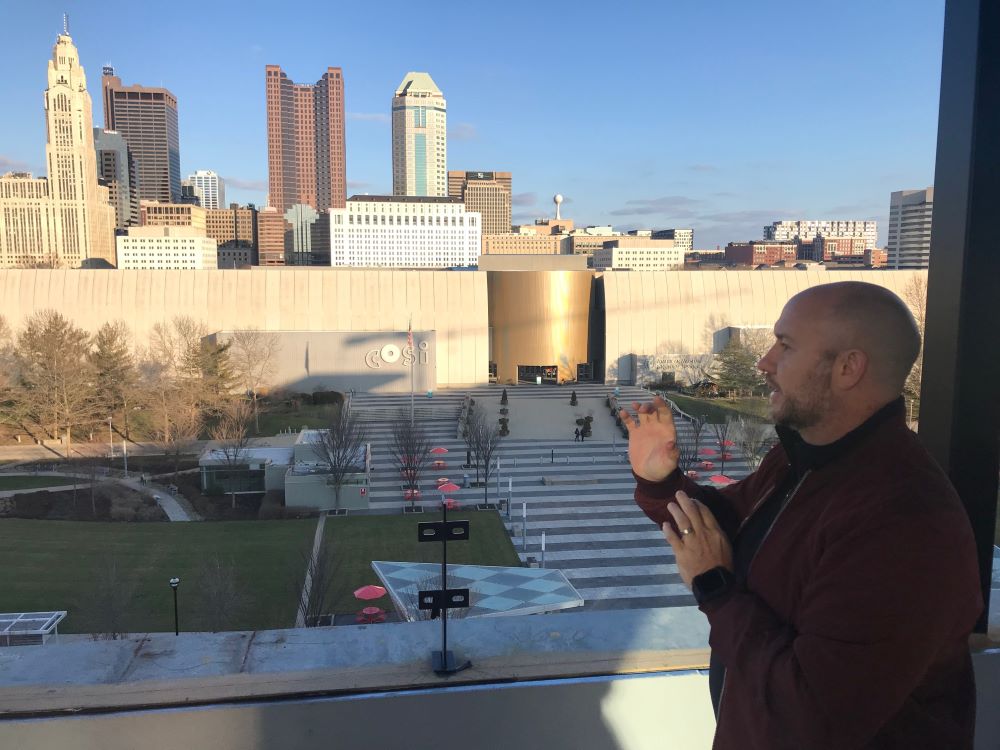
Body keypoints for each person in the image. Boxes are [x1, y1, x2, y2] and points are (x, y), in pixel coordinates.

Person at [625, 281, 981, 749]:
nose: (764, 362)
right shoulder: (806, 459)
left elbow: (809, 713)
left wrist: (715, 587)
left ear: (848, 367)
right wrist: (662, 482)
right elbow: (727, 523)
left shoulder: (903, 521)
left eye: (785, 346)